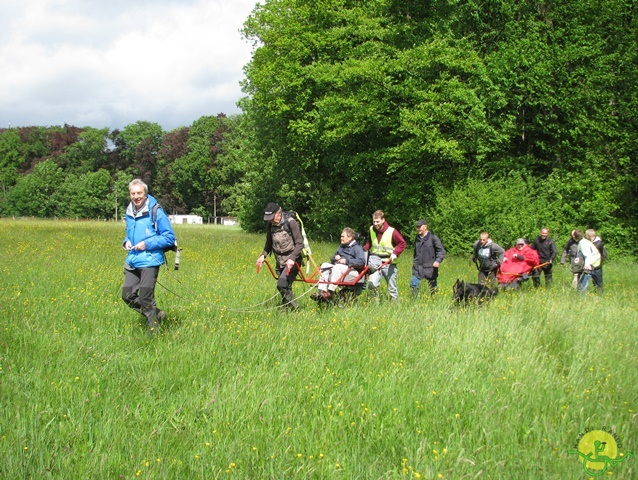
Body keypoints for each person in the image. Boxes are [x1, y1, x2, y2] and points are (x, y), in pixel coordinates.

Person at [122, 179, 176, 336]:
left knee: (146, 298)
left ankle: (152, 333)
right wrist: (126, 241)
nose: (136, 196)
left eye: (139, 193)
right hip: (132, 260)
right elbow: (129, 233)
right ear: (130, 195)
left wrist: (146, 244)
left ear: (145, 194)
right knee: (127, 295)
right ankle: (157, 314)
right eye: (133, 193)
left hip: (150, 260)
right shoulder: (129, 211)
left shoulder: (156, 211)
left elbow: (169, 237)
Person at [256, 203, 304, 310]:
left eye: (272, 218)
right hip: (280, 260)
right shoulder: (270, 225)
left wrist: (292, 259)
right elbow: (269, 243)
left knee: (281, 284)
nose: (271, 221)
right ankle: (287, 309)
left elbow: (300, 243)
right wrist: (263, 255)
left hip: (293, 260)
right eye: (269, 219)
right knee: (286, 286)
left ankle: (297, 309)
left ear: (279, 213)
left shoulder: (290, 222)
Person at [311, 227, 366, 302]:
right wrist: (335, 258)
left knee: (338, 267)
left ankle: (330, 293)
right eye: (341, 236)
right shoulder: (341, 247)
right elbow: (332, 259)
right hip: (340, 270)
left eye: (343, 236)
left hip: (353, 272)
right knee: (324, 265)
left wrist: (346, 261)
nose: (341, 238)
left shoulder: (357, 248)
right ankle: (322, 292)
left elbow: (361, 262)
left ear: (350, 238)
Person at [363, 210, 406, 300]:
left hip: (389, 263)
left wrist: (395, 253)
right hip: (375, 263)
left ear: (383, 220)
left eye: (377, 221)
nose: (375, 224)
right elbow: (369, 243)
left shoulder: (391, 231)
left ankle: (395, 307)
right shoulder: (371, 229)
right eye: (374, 221)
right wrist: (363, 250)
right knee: (372, 284)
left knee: (392, 288)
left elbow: (402, 243)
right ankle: (374, 305)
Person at [410, 219, 446, 297]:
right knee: (414, 285)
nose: (417, 229)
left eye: (419, 227)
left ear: (425, 227)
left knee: (433, 288)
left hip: (430, 268)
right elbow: (416, 252)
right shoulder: (417, 238)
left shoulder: (433, 238)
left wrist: (438, 261)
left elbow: (441, 251)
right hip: (417, 267)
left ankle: (434, 302)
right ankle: (413, 303)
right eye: (417, 227)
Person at [578, 229, 603, 293]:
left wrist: (588, 264)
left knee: (598, 284)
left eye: (586, 235)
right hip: (590, 266)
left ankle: (599, 295)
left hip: (596, 266)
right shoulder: (588, 242)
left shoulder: (598, 243)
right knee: (583, 283)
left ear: (589, 235)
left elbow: (592, 255)